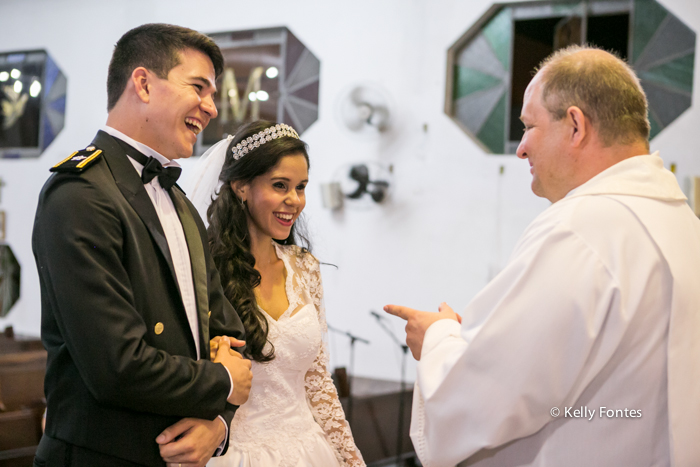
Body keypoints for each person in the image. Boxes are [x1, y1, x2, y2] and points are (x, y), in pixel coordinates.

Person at [385, 45, 700, 467]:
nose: (520, 149)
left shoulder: (581, 226)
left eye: (529, 126)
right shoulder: (680, 221)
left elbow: (492, 398)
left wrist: (438, 338)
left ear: (575, 125)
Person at [32, 24, 253, 467]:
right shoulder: (80, 194)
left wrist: (218, 425)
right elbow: (117, 365)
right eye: (199, 87)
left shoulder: (180, 203)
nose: (211, 107)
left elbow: (227, 333)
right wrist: (223, 383)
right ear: (144, 83)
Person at [184, 120, 365, 467]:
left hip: (309, 450)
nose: (294, 201)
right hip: (235, 452)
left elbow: (317, 380)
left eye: (301, 187)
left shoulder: (304, 267)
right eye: (280, 185)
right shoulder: (203, 269)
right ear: (240, 186)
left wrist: (350, 458)